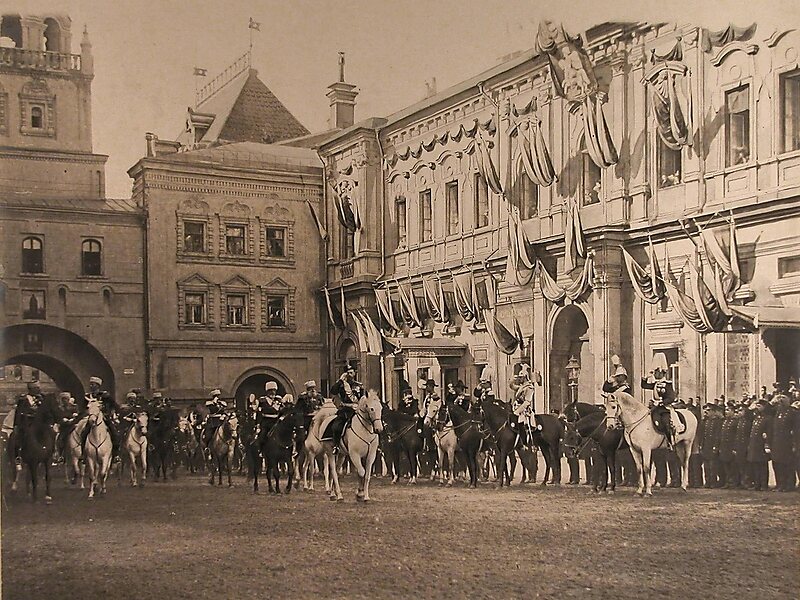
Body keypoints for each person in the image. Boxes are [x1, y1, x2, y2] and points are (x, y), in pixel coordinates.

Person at [80, 376, 121, 463]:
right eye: (91, 384)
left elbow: (115, 406)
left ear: (98, 386)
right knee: (84, 433)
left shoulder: (105, 396)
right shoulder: (87, 396)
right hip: (92, 417)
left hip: (104, 417)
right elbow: (83, 408)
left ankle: (116, 454)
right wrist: (87, 411)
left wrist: (109, 411)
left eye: (93, 384)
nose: (91, 386)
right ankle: (83, 455)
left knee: (114, 433)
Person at [641, 355, 677, 449]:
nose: (655, 374)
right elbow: (644, 386)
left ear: (662, 373)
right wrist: (645, 377)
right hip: (654, 408)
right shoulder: (655, 384)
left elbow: (671, 397)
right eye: (655, 372)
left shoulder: (668, 384)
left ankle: (670, 442)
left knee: (665, 422)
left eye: (656, 372)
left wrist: (661, 403)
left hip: (664, 408)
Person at [328, 364, 362, 450]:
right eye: (348, 373)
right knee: (336, 427)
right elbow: (333, 391)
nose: (350, 375)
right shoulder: (342, 385)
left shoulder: (358, 385)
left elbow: (362, 397)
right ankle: (336, 446)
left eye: (351, 373)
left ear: (354, 373)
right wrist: (340, 380)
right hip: (345, 411)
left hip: (358, 410)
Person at [12, 381, 45, 467]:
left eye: (39, 388)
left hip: (41, 423)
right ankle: (18, 456)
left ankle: (54, 453)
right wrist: (16, 425)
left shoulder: (43, 398)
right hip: (27, 423)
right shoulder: (23, 400)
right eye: (36, 388)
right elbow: (18, 413)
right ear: (31, 389)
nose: (39, 390)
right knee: (18, 437)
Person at [747, 399, 772, 491]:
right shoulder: (756, 417)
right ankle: (757, 484)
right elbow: (747, 416)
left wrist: (767, 445)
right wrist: (750, 408)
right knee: (755, 465)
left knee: (762, 465)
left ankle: (764, 484)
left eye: (759, 406)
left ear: (764, 407)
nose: (757, 407)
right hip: (754, 444)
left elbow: (768, 432)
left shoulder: (768, 418)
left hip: (761, 445)